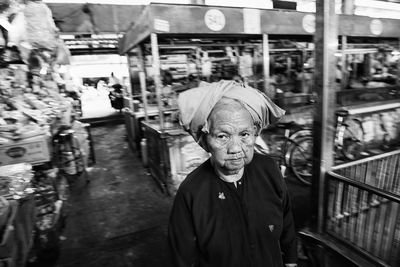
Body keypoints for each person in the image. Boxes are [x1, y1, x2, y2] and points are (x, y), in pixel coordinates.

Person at [168, 80, 298, 267]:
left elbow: (286, 221)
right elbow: (181, 257)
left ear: (254, 133)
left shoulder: (269, 169)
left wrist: (291, 262)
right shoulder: (191, 192)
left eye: (244, 134)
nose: (236, 148)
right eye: (223, 136)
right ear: (205, 141)